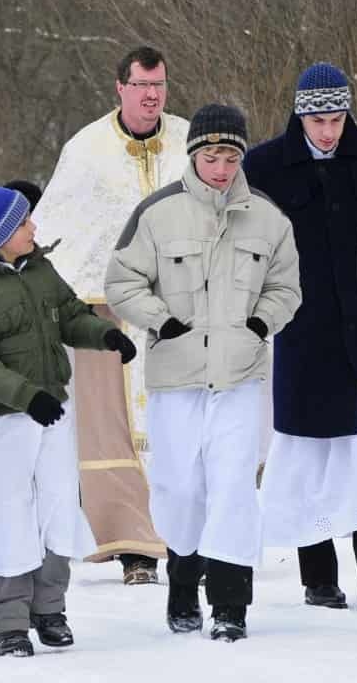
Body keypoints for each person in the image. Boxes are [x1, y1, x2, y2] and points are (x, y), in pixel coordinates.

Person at [107, 104, 303, 641]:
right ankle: (183, 575)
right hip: (177, 375)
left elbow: (287, 287)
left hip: (240, 374)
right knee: (178, 485)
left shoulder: (267, 216)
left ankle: (231, 602)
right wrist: (159, 320)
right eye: (212, 155)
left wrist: (263, 323)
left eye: (231, 156)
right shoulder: (157, 213)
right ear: (193, 155)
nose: (221, 167)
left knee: (233, 484)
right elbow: (121, 282)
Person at [243, 62, 357, 610]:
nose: (328, 130)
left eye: (336, 117)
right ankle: (318, 577)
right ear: (300, 114)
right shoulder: (265, 165)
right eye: (318, 119)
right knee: (309, 456)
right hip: (303, 330)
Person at [0, 186, 136, 656]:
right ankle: (10, 622)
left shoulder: (41, 270)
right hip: (4, 421)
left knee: (56, 508)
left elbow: (71, 315)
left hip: (51, 411)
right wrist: (25, 396)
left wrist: (106, 336)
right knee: (12, 515)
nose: (33, 228)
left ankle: (49, 608)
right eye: (24, 223)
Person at [30, 45, 188, 585]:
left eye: (160, 85)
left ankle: (185, 538)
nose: (152, 96)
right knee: (112, 430)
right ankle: (133, 548)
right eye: (142, 86)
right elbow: (57, 226)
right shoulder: (87, 149)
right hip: (108, 311)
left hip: (178, 310)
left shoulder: (190, 142)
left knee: (180, 424)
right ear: (119, 87)